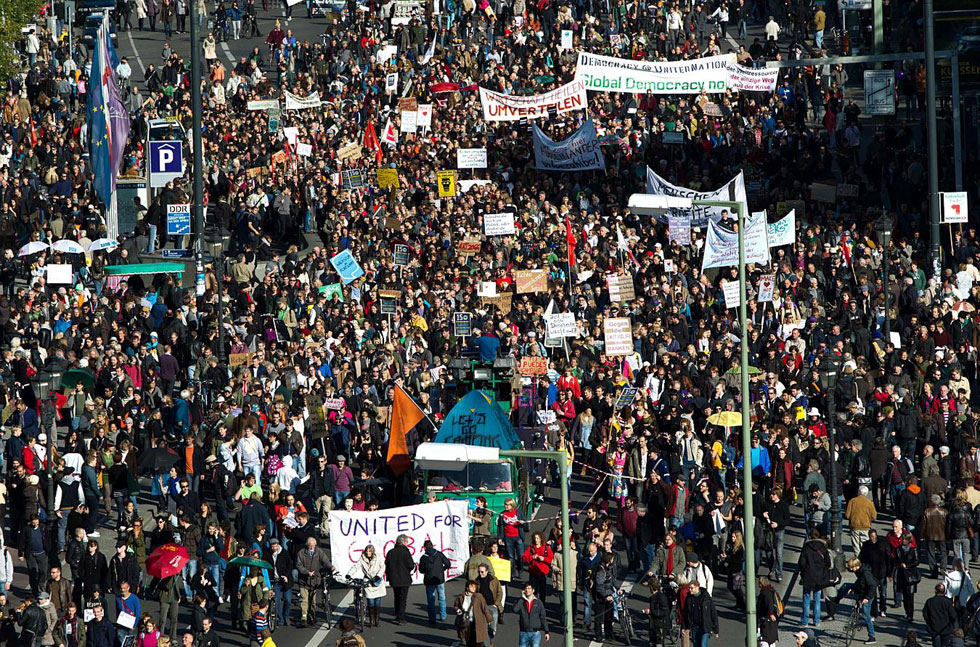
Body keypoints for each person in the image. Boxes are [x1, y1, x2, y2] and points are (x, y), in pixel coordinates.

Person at [799, 530, 831, 628]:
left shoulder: (806, 547)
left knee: (806, 598)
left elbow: (801, 563)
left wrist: (803, 572)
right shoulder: (823, 548)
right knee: (817, 599)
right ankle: (816, 621)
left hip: (808, 576)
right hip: (819, 577)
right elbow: (828, 563)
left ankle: (805, 621)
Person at [347, 544, 385, 628]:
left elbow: (382, 567)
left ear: (373, 552)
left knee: (377, 602)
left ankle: (377, 620)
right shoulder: (362, 559)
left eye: (370, 551)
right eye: (367, 551)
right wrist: (349, 574)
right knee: (371, 602)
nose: (368, 553)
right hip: (368, 582)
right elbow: (356, 566)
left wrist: (378, 576)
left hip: (377, 581)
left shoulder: (378, 558)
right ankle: (371, 620)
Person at [295, 537, 328, 627]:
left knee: (312, 601)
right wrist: (306, 572)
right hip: (303, 581)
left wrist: (331, 567)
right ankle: (304, 618)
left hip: (314, 581)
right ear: (307, 545)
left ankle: (312, 617)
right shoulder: (301, 553)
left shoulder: (318, 552)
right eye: (310, 545)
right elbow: (298, 565)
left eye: (313, 545)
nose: (311, 547)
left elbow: (325, 561)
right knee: (304, 600)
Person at [418, 539, 451, 625]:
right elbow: (448, 563)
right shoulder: (439, 554)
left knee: (431, 600)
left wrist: (427, 570)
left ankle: (432, 618)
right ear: (432, 545)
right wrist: (442, 569)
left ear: (424, 547)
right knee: (442, 598)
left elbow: (421, 570)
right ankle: (443, 616)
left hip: (429, 580)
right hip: (439, 579)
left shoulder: (424, 557)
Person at [385, 534, 414, 625]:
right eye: (406, 542)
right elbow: (411, 565)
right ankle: (400, 617)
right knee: (402, 598)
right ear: (403, 542)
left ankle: (397, 613)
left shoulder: (390, 552)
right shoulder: (406, 552)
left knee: (396, 596)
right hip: (404, 578)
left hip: (394, 579)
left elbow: (387, 565)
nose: (407, 544)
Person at [681, 578, 719, 647]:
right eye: (689, 588)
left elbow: (713, 613)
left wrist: (716, 629)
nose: (690, 590)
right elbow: (685, 613)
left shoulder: (706, 598)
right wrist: (684, 626)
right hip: (694, 626)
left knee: (703, 645)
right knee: (696, 645)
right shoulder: (689, 598)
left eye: (692, 588)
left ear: (697, 587)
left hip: (704, 626)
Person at [453, 580, 492, 647]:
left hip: (477, 622)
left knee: (479, 642)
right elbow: (455, 606)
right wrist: (458, 610)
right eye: (471, 586)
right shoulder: (461, 597)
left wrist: (489, 619)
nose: (474, 588)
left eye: (475, 586)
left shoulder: (478, 597)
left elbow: (485, 608)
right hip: (466, 623)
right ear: (467, 588)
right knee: (469, 641)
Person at [522, 533, 554, 606]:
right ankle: (533, 605)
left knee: (543, 591)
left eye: (537, 538)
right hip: (533, 572)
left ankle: (542, 605)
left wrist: (544, 559)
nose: (536, 540)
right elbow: (524, 558)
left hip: (542, 572)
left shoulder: (546, 548)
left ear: (541, 539)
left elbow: (551, 559)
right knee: (533, 591)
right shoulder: (531, 548)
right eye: (535, 538)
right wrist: (532, 557)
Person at [514, 582, 550, 647]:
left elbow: (543, 617)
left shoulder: (538, 602)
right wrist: (522, 598)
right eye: (526, 588)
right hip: (524, 632)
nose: (527, 590)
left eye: (529, 588)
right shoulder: (521, 601)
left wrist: (546, 631)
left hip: (535, 633)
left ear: (533, 590)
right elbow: (515, 609)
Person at [592, 552, 617, 642]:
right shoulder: (600, 570)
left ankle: (609, 633)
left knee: (609, 616)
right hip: (601, 597)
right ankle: (598, 635)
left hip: (608, 594)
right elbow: (599, 587)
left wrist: (618, 588)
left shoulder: (609, 568)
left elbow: (612, 580)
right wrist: (605, 596)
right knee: (599, 617)